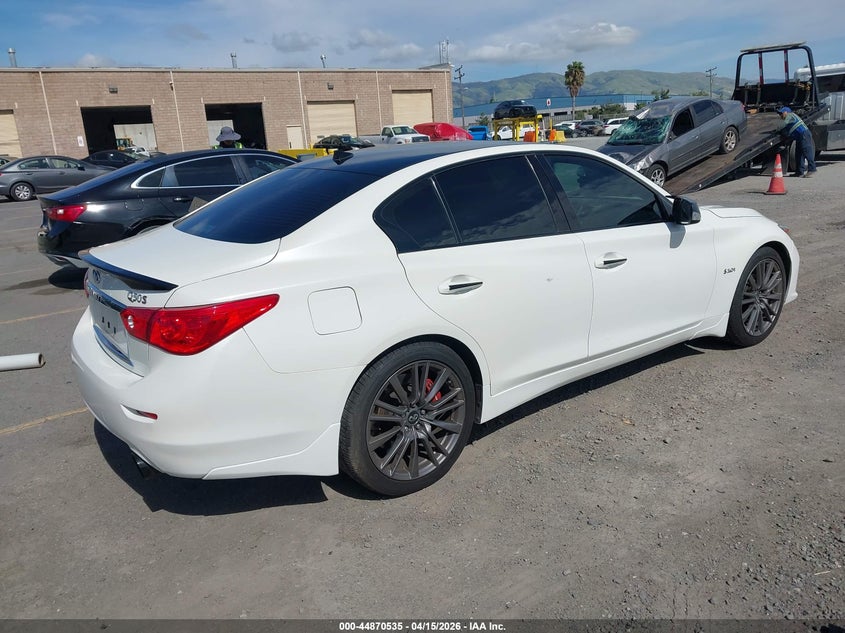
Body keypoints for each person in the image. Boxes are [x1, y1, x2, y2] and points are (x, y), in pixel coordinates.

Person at [776, 107, 817, 177]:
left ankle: (812, 169)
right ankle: (799, 172)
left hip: (804, 134)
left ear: (786, 112)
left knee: (806, 151)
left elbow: (782, 125)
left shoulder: (790, 115)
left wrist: (777, 129)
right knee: (799, 154)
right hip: (799, 136)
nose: (780, 115)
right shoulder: (789, 120)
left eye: (781, 113)